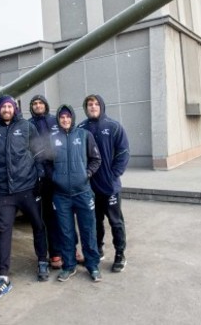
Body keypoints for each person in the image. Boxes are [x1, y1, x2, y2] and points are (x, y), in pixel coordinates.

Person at [0, 95, 49, 301]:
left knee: (38, 225)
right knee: (3, 232)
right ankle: (3, 276)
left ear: (15, 109)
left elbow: (39, 152)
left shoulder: (26, 127)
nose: (7, 109)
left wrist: (39, 175)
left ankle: (42, 261)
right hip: (3, 192)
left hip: (28, 188)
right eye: (4, 107)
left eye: (10, 106)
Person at [49, 104, 102, 282]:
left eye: (68, 116)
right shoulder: (53, 138)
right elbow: (45, 163)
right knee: (66, 232)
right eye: (62, 117)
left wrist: (85, 175)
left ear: (72, 118)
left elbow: (96, 159)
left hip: (83, 192)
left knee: (88, 230)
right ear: (59, 119)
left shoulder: (84, 135)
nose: (65, 119)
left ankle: (93, 265)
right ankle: (69, 265)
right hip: (61, 195)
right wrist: (54, 177)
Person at [78, 94, 130, 273]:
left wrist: (113, 175)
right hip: (90, 187)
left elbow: (123, 153)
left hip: (110, 187)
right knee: (95, 222)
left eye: (95, 104)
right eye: (89, 104)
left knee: (116, 222)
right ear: (86, 108)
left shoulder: (114, 127)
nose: (92, 107)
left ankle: (120, 254)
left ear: (101, 106)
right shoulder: (81, 128)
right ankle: (97, 250)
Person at [27, 94, 63, 269]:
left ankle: (70, 248)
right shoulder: (28, 125)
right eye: (34, 103)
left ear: (46, 105)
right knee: (47, 217)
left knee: (65, 214)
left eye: (40, 103)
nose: (38, 105)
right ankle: (55, 253)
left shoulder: (55, 120)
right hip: (40, 177)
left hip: (59, 173)